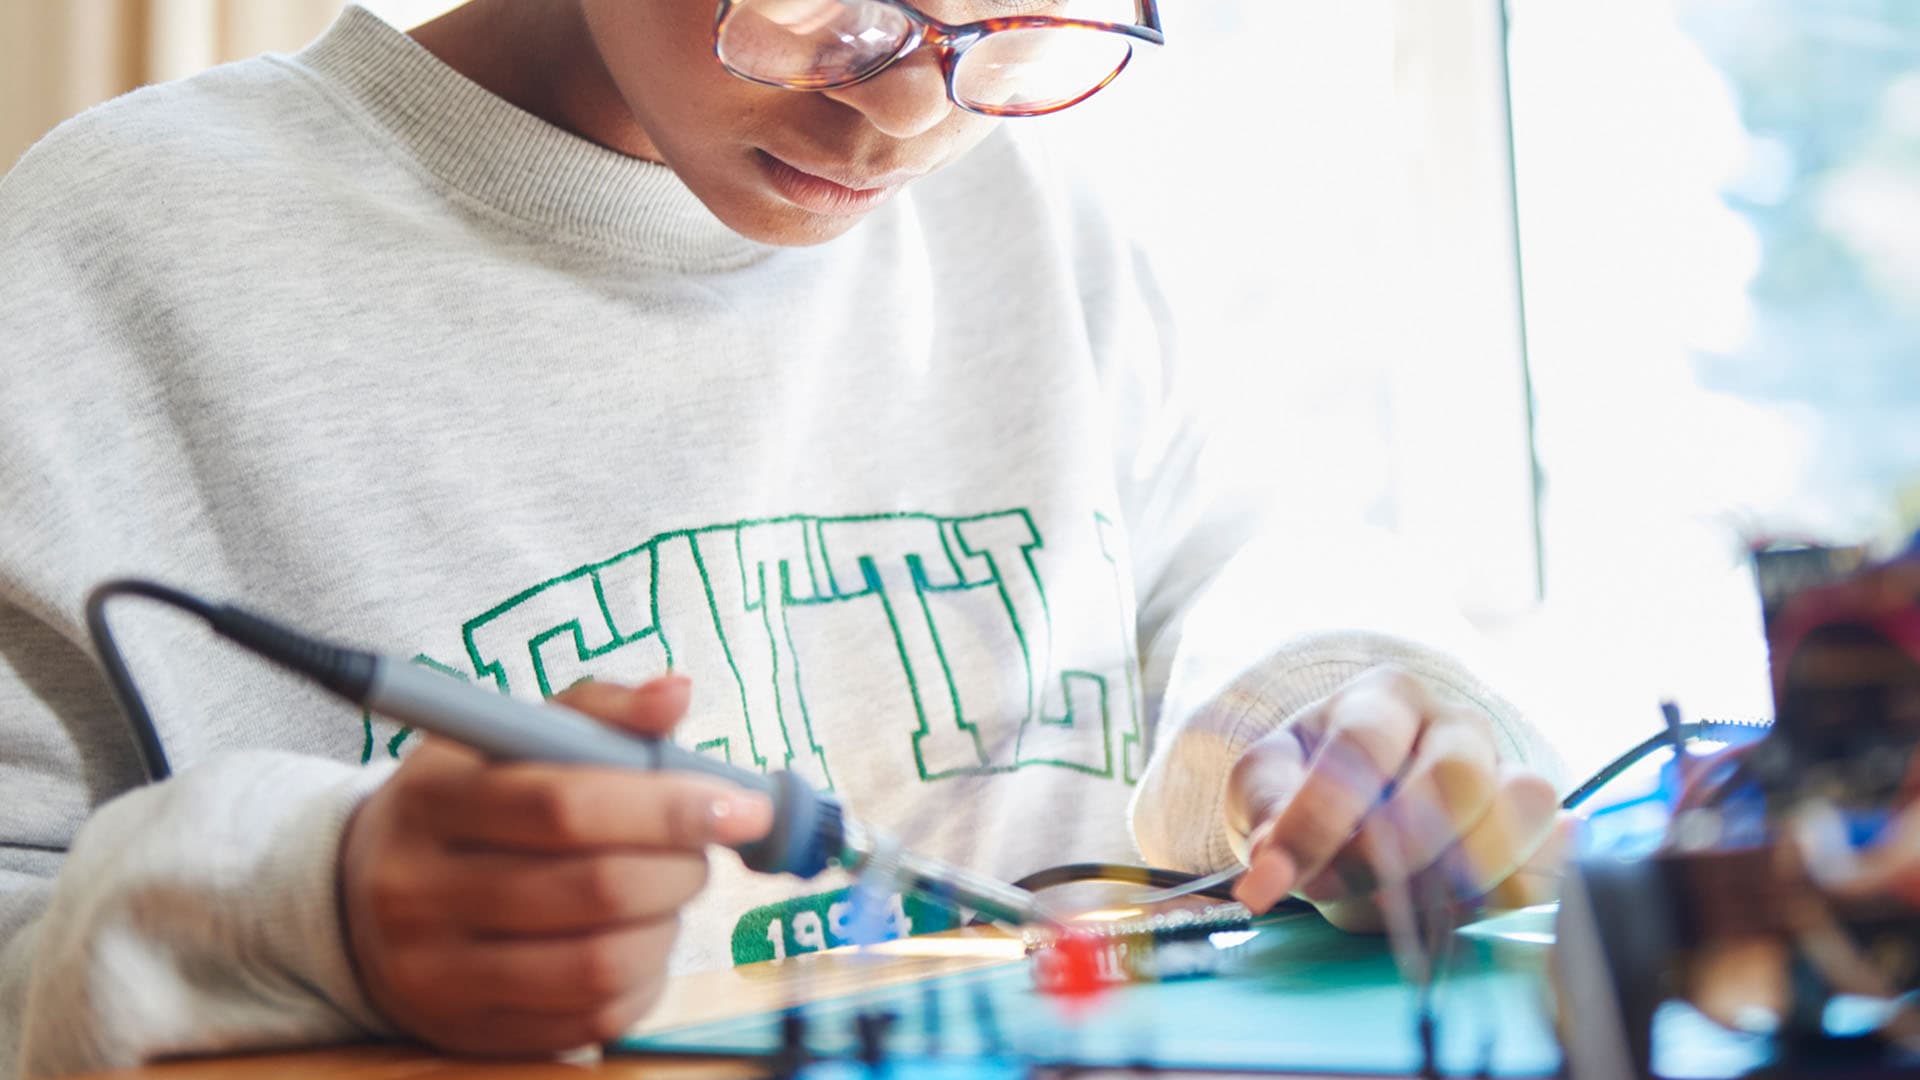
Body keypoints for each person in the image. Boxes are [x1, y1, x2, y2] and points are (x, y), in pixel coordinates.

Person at [0, 1, 1568, 1076]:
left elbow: (1244, 564)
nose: (900, 107)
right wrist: (309, 910)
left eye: (1015, 14)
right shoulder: (119, 260)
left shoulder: (1038, 223)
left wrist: (1334, 708)